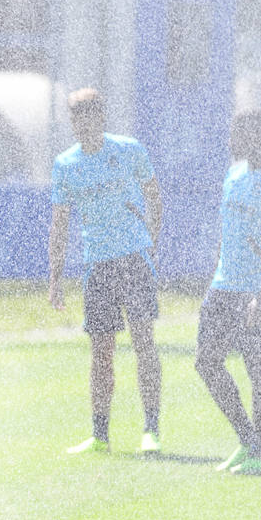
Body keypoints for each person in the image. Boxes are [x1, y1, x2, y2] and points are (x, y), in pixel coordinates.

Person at [48, 87, 164, 454]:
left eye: (86, 116)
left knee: (143, 341)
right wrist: (55, 278)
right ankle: (100, 435)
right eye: (74, 117)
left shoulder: (128, 149)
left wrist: (152, 242)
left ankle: (151, 430)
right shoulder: (66, 164)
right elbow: (60, 224)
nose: (79, 124)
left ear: (100, 117)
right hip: (98, 267)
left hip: (133, 260)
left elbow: (153, 194)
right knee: (101, 351)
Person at [195, 110, 261, 475]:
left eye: (239, 132)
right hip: (224, 286)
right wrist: (215, 276)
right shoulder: (232, 174)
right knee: (206, 362)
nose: (231, 138)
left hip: (256, 291)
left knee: (259, 373)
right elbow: (229, 232)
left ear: (257, 136)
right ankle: (248, 440)